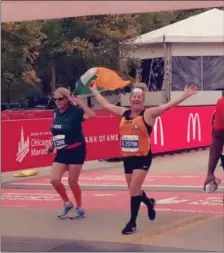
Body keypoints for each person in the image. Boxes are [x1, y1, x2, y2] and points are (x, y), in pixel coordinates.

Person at [90, 84, 198, 235]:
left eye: (139, 97)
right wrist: (95, 91)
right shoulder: (123, 113)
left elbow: (168, 105)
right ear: (130, 99)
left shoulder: (148, 114)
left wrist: (185, 95)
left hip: (143, 157)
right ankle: (149, 202)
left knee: (134, 190)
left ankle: (132, 223)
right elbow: (107, 105)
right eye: (134, 96)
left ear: (143, 100)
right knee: (134, 191)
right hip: (128, 158)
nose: (136, 99)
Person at [49, 87, 96, 219]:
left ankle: (80, 208)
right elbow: (55, 130)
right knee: (54, 180)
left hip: (76, 149)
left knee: (72, 181)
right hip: (62, 150)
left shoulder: (75, 112)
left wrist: (80, 102)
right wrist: (51, 143)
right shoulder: (56, 112)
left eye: (60, 98)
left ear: (67, 99)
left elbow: (92, 115)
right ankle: (67, 203)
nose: (57, 101)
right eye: (55, 99)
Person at [204, 89, 224, 189]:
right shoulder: (222, 103)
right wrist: (210, 172)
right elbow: (218, 138)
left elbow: (217, 138)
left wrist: (210, 172)